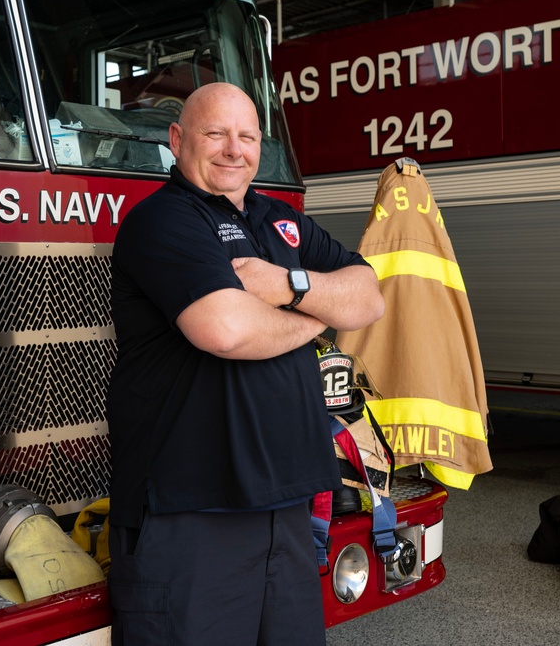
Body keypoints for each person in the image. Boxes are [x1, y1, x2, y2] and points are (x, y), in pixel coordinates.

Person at [104, 82, 384, 646]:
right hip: (193, 510)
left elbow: (368, 297)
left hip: (288, 504)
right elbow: (226, 331)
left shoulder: (279, 220)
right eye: (216, 133)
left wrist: (286, 283)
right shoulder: (163, 220)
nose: (234, 149)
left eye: (247, 136)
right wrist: (316, 314)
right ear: (178, 140)